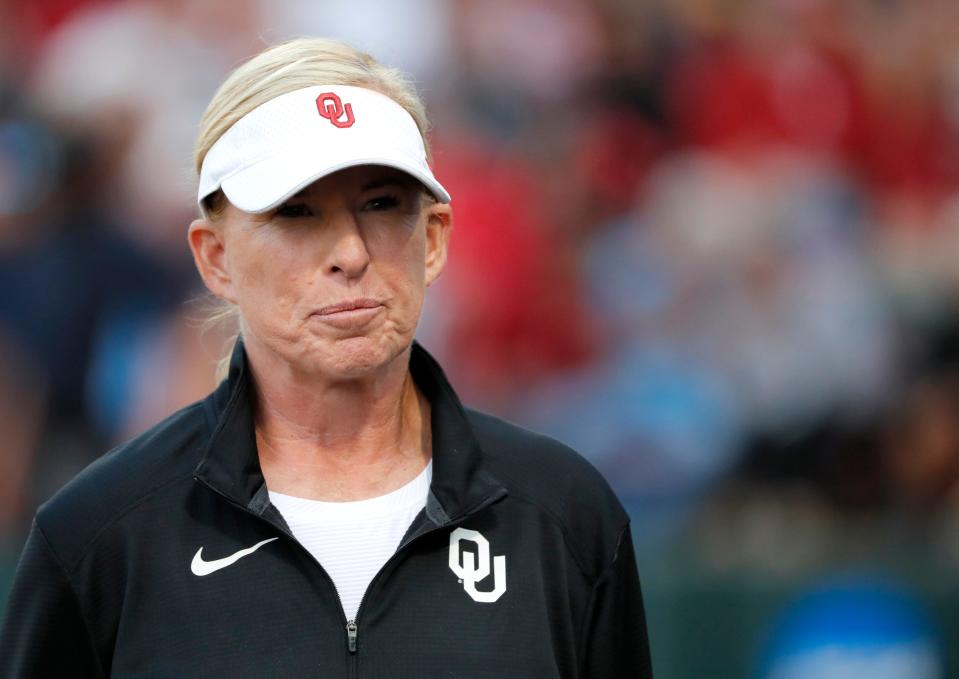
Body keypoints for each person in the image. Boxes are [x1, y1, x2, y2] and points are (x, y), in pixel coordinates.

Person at [0, 38, 652, 677]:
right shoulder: (102, 534)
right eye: (297, 212)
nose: (350, 251)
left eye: (380, 204)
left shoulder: (563, 515)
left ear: (431, 239)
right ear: (214, 257)